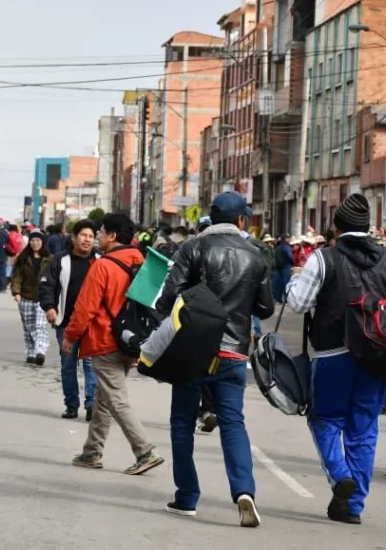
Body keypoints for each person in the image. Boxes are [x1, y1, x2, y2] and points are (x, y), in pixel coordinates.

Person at [287, 193, 386, 524]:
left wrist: (293, 280)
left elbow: (299, 304)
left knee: (325, 419)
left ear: (336, 226)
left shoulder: (322, 257)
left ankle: (340, 473)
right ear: (368, 227)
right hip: (376, 355)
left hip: (332, 352)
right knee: (364, 427)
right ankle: (354, 504)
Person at [155, 191, 274, 527]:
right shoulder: (256, 254)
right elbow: (266, 307)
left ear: (210, 218)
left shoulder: (192, 248)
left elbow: (168, 296)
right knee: (233, 422)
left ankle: (187, 497)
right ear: (241, 221)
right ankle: (243, 491)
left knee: (182, 422)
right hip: (234, 352)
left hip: (194, 349)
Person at [63, 213, 164, 476]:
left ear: (113, 236)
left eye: (101, 231)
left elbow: (85, 308)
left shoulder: (103, 266)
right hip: (133, 341)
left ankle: (145, 451)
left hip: (105, 339)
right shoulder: (143, 263)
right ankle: (91, 452)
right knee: (104, 399)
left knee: (115, 399)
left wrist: (70, 336)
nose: (97, 236)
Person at [39, 219, 98, 420]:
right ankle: (71, 404)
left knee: (91, 365)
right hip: (66, 322)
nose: (87, 240)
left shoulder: (100, 260)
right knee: (68, 365)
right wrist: (49, 307)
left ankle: (91, 404)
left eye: (91, 236)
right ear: (73, 238)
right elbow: (47, 285)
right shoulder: (59, 260)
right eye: (83, 235)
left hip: (92, 324)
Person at [11, 230, 52, 365]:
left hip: (42, 298)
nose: (35, 243)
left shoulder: (50, 259)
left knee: (40, 326)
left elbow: (53, 279)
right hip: (26, 297)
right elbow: (17, 277)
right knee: (28, 327)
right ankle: (31, 352)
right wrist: (16, 292)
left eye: (38, 241)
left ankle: (40, 351)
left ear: (42, 242)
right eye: (33, 240)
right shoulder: (23, 258)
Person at [272, 234, 294, 303]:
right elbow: (290, 256)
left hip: (277, 267)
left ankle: (278, 299)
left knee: (278, 284)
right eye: (289, 238)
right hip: (286, 267)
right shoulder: (286, 247)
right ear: (285, 239)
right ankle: (287, 299)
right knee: (286, 283)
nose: (290, 239)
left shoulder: (277, 247)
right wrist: (292, 262)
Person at [0, 220, 11, 292]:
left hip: (0, 255)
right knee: (1, 271)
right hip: (2, 255)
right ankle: (1, 287)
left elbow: (1, 245)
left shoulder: (1, 233)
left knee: (0, 272)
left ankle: (1, 288)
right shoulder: (4, 232)